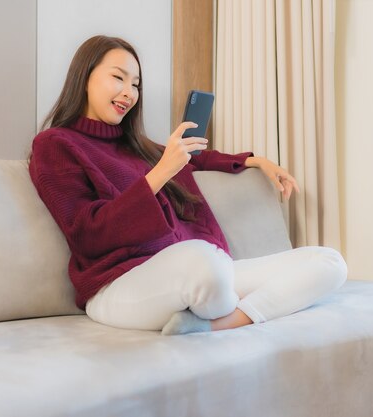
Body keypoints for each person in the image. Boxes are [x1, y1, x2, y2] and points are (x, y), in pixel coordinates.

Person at [28, 35, 347, 335]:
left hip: (198, 272)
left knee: (329, 262)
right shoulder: (55, 145)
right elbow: (87, 234)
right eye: (119, 77)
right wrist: (159, 173)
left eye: (136, 84)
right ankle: (218, 298)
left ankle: (219, 323)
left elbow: (197, 159)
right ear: (84, 77)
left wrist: (255, 162)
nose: (129, 92)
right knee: (203, 260)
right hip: (120, 284)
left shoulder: (136, 146)